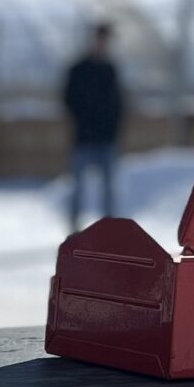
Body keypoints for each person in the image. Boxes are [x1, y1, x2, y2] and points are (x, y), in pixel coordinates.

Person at [62, 21, 124, 233]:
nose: (101, 44)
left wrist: (113, 129)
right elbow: (69, 100)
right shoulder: (78, 70)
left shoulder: (110, 70)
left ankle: (108, 231)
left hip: (106, 140)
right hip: (83, 140)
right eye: (99, 39)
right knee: (78, 188)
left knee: (108, 190)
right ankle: (74, 230)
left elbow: (118, 103)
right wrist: (84, 122)